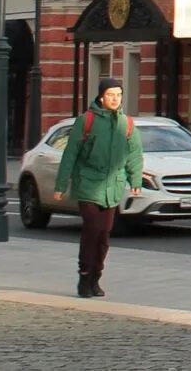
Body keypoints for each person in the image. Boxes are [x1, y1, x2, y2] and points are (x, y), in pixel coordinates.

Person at [55, 78, 144, 299]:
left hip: (112, 188)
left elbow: (134, 155)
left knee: (104, 235)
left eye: (118, 95)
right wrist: (60, 184)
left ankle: (96, 277)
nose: (115, 99)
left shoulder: (128, 124)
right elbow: (70, 154)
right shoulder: (86, 121)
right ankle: (84, 277)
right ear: (101, 97)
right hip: (88, 184)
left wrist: (135, 181)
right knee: (92, 230)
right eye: (111, 95)